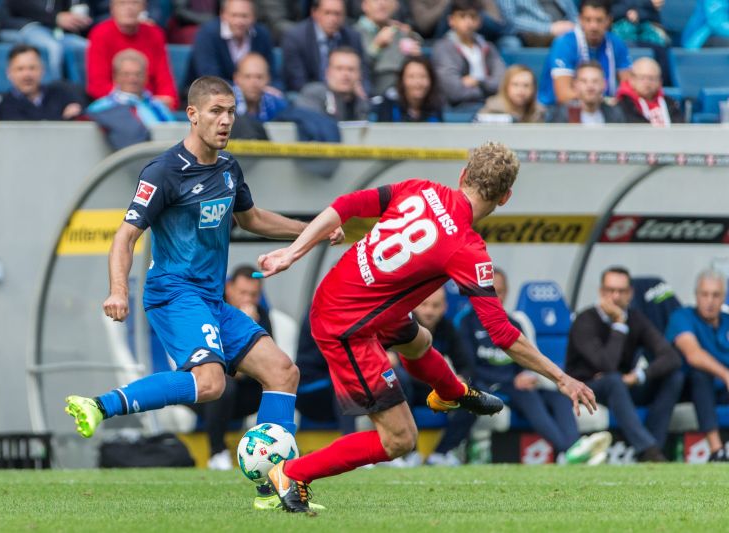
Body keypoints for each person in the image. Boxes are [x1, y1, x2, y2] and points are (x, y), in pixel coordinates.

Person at [256, 141, 597, 513]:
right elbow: (502, 334)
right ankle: (291, 473)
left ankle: (452, 391)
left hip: (347, 296)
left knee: (419, 340)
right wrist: (561, 378)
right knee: (399, 440)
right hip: (347, 326)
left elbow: (346, 206)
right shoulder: (468, 248)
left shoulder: (420, 188)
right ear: (505, 198)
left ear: (463, 175)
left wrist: (292, 252)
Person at [64, 76, 342, 511]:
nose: (225, 120)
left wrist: (310, 230)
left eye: (230, 111)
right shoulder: (162, 172)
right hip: (174, 294)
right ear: (192, 114)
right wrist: (118, 291)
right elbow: (124, 238)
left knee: (283, 373)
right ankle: (99, 406)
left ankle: (276, 486)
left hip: (212, 299)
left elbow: (251, 219)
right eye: (215, 111)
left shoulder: (228, 168)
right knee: (211, 383)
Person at [464, 268, 613, 464]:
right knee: (528, 396)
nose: (495, 297)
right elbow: (469, 367)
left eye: (499, 292)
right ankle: (569, 450)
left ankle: (571, 448)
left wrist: (526, 376)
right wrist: (508, 380)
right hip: (491, 387)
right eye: (489, 291)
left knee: (559, 399)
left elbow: (527, 358)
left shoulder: (515, 323)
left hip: (518, 386)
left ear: (506, 293)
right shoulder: (467, 323)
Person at [567, 266, 684, 462]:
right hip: (587, 389)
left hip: (621, 386)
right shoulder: (584, 320)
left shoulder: (636, 318)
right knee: (613, 380)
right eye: (610, 290)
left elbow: (671, 357)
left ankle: (654, 444)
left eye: (621, 291)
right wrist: (619, 324)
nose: (615, 297)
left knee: (675, 377)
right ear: (600, 292)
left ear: (630, 294)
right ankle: (650, 450)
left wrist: (638, 376)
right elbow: (607, 366)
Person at [197, 265, 271, 471]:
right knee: (223, 384)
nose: (248, 299)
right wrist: (243, 322)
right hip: (205, 390)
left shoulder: (261, 315)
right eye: (243, 293)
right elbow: (219, 365)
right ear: (229, 288)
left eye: (254, 295)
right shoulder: (212, 309)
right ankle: (217, 453)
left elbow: (267, 365)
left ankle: (269, 450)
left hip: (244, 390)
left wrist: (251, 325)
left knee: (277, 385)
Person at [666, 270, 729, 461]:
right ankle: (717, 451)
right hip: (690, 388)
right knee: (700, 376)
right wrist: (726, 374)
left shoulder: (727, 322)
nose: (710, 301)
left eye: (716, 295)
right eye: (705, 294)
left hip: (723, 388)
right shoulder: (682, 317)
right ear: (696, 295)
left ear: (723, 297)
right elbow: (694, 355)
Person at [411, 287, 475, 466]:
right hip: (410, 389)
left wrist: (462, 378)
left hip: (438, 389)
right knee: (397, 384)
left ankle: (441, 453)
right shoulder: (401, 328)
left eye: (435, 305)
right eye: (424, 305)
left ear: (444, 307)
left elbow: (466, 366)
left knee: (473, 396)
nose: (429, 311)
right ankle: (409, 453)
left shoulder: (448, 329)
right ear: (414, 305)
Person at [86, 0, 179, 109]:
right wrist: (132, 100)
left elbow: (165, 80)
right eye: (122, 3)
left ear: (144, 7)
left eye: (135, 3)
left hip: (150, 105)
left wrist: (167, 99)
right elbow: (97, 85)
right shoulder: (100, 34)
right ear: (112, 8)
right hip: (114, 106)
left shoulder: (155, 34)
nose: (129, 8)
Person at [538, 0, 632, 106]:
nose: (593, 26)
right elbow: (563, 95)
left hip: (602, 110)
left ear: (608, 20)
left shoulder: (616, 43)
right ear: (580, 19)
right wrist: (602, 100)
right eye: (588, 20)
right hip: (558, 110)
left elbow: (628, 87)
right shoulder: (565, 43)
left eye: (599, 20)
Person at [87, 49, 175, 150]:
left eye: (138, 74)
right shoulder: (100, 108)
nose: (132, 79)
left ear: (146, 76)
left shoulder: (159, 108)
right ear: (115, 76)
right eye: (126, 74)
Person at [431, 0, 506, 109]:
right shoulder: (442, 48)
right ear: (451, 20)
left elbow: (502, 81)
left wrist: (478, 82)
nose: (468, 21)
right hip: (456, 109)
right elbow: (454, 91)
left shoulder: (488, 47)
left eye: (473, 16)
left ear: (479, 21)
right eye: (462, 16)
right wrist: (487, 90)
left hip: (489, 107)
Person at [281, 0, 367, 92]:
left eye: (337, 14)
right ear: (314, 13)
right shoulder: (296, 38)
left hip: (347, 93)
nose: (333, 19)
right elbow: (297, 81)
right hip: (312, 95)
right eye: (327, 13)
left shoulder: (352, 37)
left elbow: (364, 73)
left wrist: (363, 90)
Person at [191, 0, 276, 85]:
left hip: (254, 95)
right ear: (223, 15)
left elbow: (272, 73)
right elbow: (209, 78)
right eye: (234, 15)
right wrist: (244, 90)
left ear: (254, 17)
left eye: (244, 16)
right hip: (209, 94)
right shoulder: (207, 34)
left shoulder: (262, 34)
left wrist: (275, 89)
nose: (239, 21)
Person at [4, 0, 91, 81]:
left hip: (58, 31)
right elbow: (18, 4)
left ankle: (85, 93)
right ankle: (54, 91)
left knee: (87, 47)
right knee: (53, 48)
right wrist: (55, 18)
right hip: (28, 25)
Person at [0, 44, 86, 121]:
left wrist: (77, 108)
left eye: (32, 68)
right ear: (9, 73)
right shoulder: (5, 104)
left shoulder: (60, 92)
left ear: (42, 70)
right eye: (20, 69)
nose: (27, 75)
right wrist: (62, 119)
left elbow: (83, 103)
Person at [355, 0, 423, 96]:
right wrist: (376, 47)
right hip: (373, 94)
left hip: (403, 93)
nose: (382, 3)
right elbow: (357, 70)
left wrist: (415, 57)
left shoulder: (401, 32)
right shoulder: (354, 34)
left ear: (395, 5)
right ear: (364, 5)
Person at [295, 47, 370, 121]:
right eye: (339, 68)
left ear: (360, 75)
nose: (345, 74)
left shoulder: (361, 103)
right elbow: (315, 126)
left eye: (351, 69)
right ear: (327, 73)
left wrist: (363, 103)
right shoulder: (312, 95)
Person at [372, 56, 444, 123]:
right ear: (402, 80)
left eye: (423, 76)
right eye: (411, 77)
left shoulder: (435, 105)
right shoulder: (389, 104)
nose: (418, 82)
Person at [549, 62, 625, 124]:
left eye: (595, 81)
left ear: (604, 84)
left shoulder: (615, 114)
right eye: (584, 81)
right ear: (575, 85)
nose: (590, 86)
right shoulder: (562, 114)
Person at [615, 57, 683, 126]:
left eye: (651, 78)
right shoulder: (623, 105)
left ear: (660, 81)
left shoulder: (671, 104)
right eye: (642, 78)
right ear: (632, 80)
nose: (647, 83)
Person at [476, 64, 545, 123]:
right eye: (515, 84)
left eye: (526, 85)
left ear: (534, 89)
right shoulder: (491, 110)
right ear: (506, 86)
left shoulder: (538, 112)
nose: (521, 90)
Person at [232, 53, 289, 122]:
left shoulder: (274, 103)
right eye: (248, 77)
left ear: (268, 79)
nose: (254, 83)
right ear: (236, 79)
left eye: (259, 77)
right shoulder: (225, 104)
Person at [496, 0, 577, 47]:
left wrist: (575, 26)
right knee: (511, 43)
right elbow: (509, 21)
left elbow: (574, 15)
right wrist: (549, 28)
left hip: (566, 29)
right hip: (529, 34)